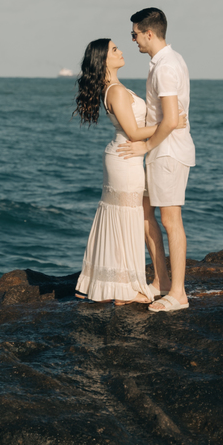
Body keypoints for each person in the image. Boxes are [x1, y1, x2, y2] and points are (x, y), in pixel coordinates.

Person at [72, 37, 187, 307]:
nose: (121, 51)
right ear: (103, 60)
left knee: (124, 219)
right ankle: (124, 289)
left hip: (127, 157)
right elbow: (134, 132)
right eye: (114, 49)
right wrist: (170, 123)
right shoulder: (115, 91)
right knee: (126, 221)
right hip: (126, 158)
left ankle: (106, 284)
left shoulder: (115, 88)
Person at [115, 7, 195, 313]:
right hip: (161, 151)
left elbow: (172, 119)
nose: (133, 40)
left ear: (149, 33)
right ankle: (161, 281)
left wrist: (145, 145)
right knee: (148, 213)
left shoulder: (166, 66)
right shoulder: (165, 62)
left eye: (134, 34)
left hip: (169, 152)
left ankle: (178, 293)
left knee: (171, 220)